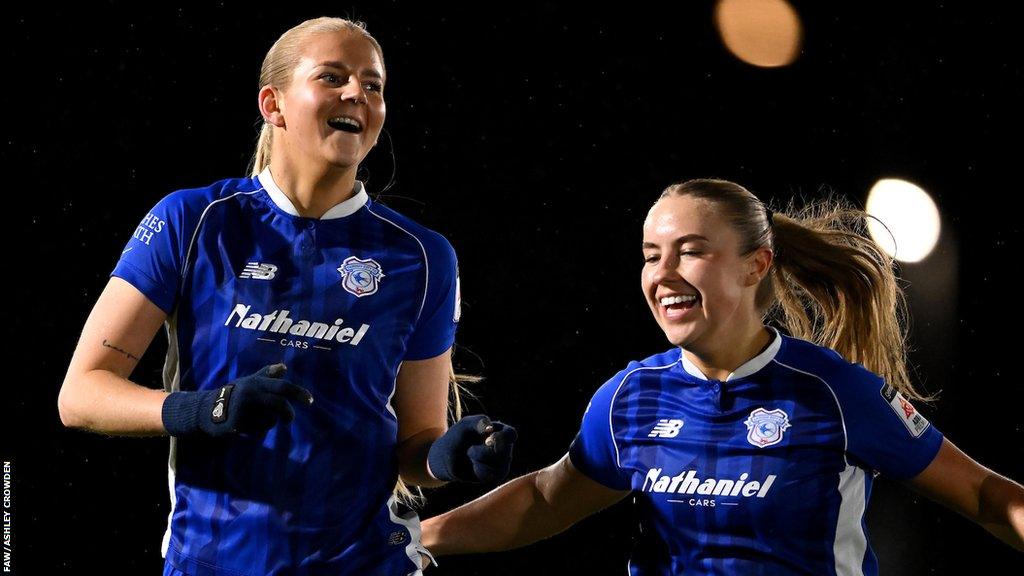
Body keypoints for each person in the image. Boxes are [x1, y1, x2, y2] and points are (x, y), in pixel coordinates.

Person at [57, 16, 516, 576]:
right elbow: (80, 395)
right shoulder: (193, 220)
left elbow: (417, 445)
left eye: (373, 85)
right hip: (213, 563)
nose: (358, 94)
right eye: (332, 76)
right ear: (273, 105)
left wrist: (446, 458)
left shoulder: (423, 256)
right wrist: (203, 409)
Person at [420, 178, 1024, 574]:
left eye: (691, 250)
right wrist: (415, 538)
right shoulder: (631, 396)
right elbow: (545, 501)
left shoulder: (833, 393)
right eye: (652, 255)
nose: (664, 273)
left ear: (755, 265)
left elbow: (984, 495)